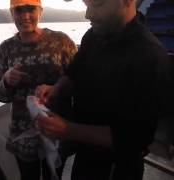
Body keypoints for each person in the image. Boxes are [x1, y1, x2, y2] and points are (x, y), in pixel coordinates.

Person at [35, 0, 172, 179]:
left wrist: (67, 130)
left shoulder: (150, 57)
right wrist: (56, 89)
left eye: (97, 4)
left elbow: (135, 139)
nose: (88, 14)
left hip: (117, 167)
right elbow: (74, 72)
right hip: (84, 158)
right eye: (86, 4)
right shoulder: (93, 36)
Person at [0, 0, 77, 179]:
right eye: (18, 10)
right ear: (12, 13)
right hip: (23, 134)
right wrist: (6, 80)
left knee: (53, 176)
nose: (25, 16)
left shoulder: (62, 42)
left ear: (40, 11)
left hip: (57, 131)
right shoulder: (6, 48)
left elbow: (79, 81)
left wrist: (56, 88)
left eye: (30, 9)